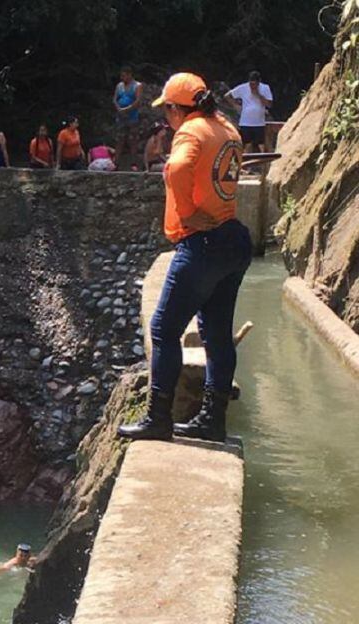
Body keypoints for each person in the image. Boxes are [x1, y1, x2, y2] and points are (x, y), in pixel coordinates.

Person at [118, 72, 252, 443]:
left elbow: (176, 168)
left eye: (168, 113)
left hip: (202, 242)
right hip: (233, 239)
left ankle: (158, 419)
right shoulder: (227, 128)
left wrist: (188, 211)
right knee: (218, 335)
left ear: (179, 109)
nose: (168, 120)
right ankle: (213, 420)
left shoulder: (191, 131)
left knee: (163, 330)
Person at [225, 71, 273, 153]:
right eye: (251, 84)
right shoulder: (243, 87)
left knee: (261, 145)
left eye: (255, 84)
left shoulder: (265, 88)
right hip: (245, 122)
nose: (252, 87)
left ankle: (263, 164)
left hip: (259, 122)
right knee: (247, 145)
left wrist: (258, 94)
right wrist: (235, 105)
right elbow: (227, 96)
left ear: (259, 83)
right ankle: (246, 164)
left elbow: (269, 104)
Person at [113, 66, 144, 167]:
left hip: (132, 116)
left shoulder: (137, 85)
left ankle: (133, 163)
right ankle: (116, 162)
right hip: (120, 116)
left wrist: (127, 109)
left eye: (124, 76)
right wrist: (118, 108)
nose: (123, 78)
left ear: (130, 75)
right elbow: (115, 99)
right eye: (122, 76)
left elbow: (138, 101)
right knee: (120, 139)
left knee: (132, 139)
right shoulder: (119, 86)